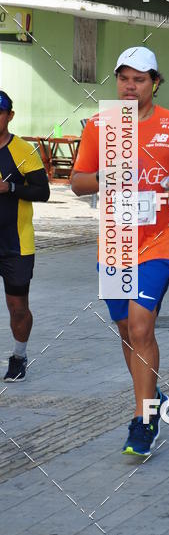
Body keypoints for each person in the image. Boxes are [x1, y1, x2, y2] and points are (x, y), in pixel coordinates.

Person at [72, 46, 169, 455]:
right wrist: (105, 178)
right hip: (115, 242)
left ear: (155, 82)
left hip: (158, 242)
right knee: (125, 331)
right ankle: (150, 394)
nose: (130, 86)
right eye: (124, 78)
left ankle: (142, 420)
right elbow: (78, 181)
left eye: (139, 79)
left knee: (140, 326)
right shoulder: (102, 125)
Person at [0, 91, 50, 381]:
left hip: (16, 243)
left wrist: (12, 189)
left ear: (10, 116)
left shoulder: (24, 150)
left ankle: (19, 356)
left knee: (18, 308)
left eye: (0, 112)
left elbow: (42, 191)